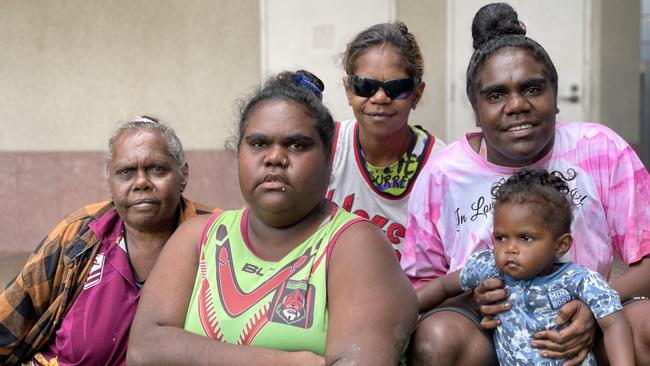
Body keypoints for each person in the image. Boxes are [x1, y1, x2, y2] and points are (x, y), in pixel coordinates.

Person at [402, 3, 650, 365]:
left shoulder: (600, 150)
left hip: (589, 323)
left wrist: (595, 306)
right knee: (437, 338)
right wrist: (472, 299)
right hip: (488, 334)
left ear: (554, 94)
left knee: (645, 323)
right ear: (476, 107)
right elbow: (421, 288)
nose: (517, 105)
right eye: (496, 95)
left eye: (532, 88)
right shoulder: (445, 175)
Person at [127, 70, 417, 366]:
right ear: (238, 153)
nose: (275, 157)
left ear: (329, 160)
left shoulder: (354, 245)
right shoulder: (198, 238)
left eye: (297, 145)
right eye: (258, 144)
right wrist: (286, 361)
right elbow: (144, 350)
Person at [0, 116, 216, 365]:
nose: (141, 182)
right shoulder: (80, 234)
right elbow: (10, 319)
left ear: (183, 175)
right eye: (126, 173)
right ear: (110, 183)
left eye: (157, 169)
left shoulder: (216, 237)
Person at [416, 169, 635, 365]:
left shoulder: (579, 280)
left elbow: (614, 325)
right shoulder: (489, 267)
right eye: (501, 238)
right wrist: (409, 310)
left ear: (561, 245)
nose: (510, 248)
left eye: (525, 238)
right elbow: (444, 286)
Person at [327, 22, 445, 260]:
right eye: (365, 86)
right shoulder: (326, 149)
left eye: (397, 88)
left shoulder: (441, 168)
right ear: (348, 90)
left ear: (417, 94)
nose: (380, 97)